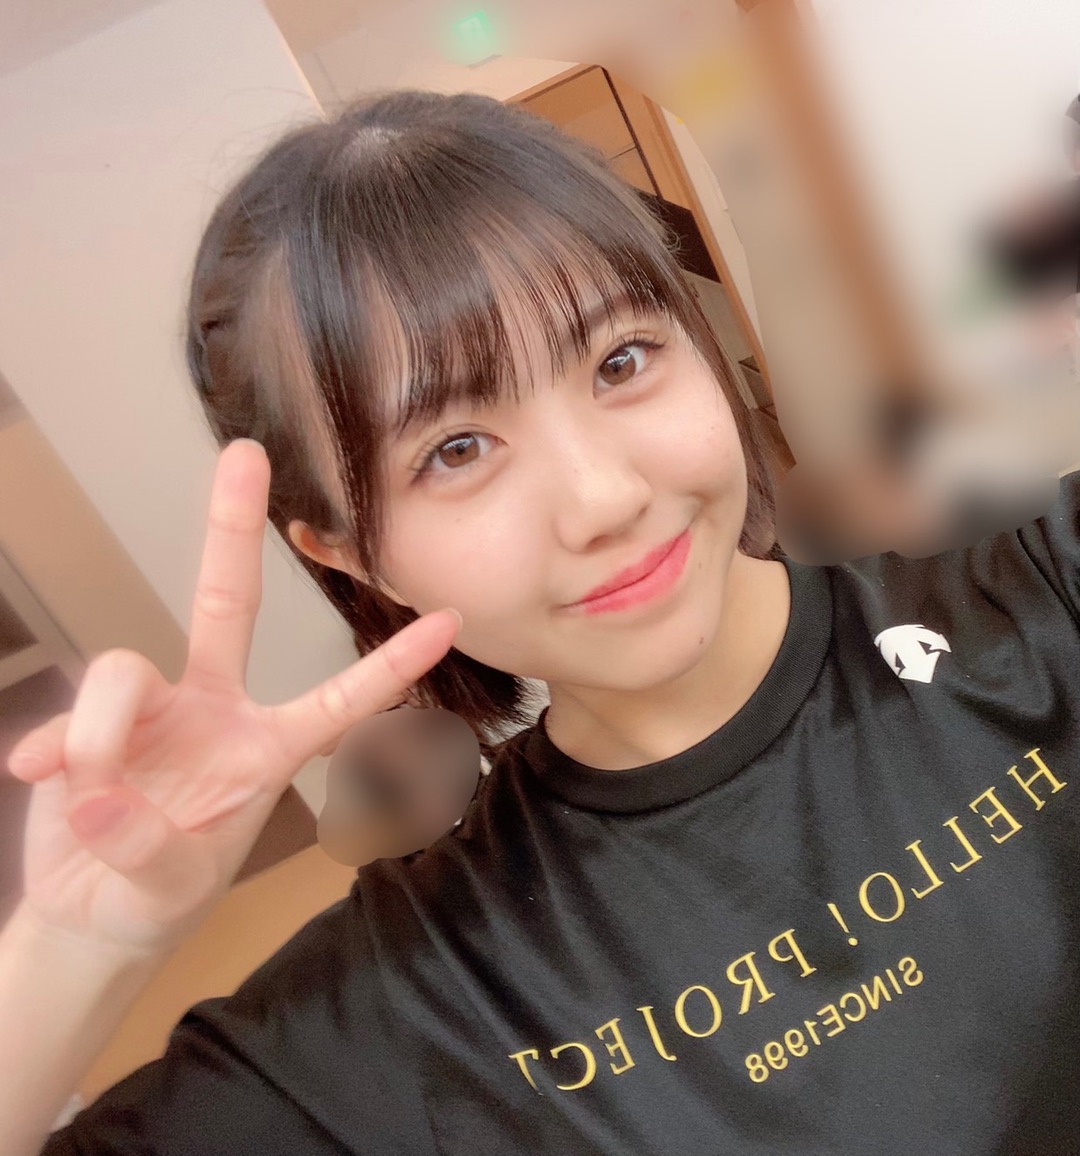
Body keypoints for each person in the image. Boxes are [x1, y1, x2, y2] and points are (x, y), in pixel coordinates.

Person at [2, 88, 1080, 1156]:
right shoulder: (435, 983)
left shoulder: (1045, 599)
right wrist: (75, 946)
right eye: (455, 450)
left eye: (622, 361)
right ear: (347, 552)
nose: (603, 497)